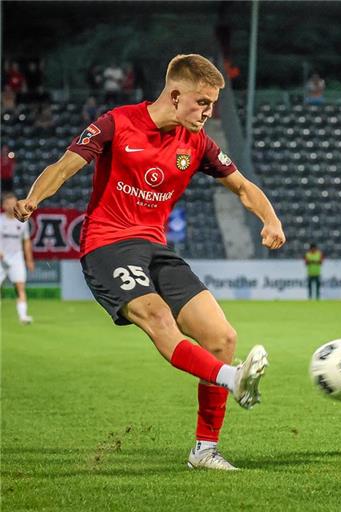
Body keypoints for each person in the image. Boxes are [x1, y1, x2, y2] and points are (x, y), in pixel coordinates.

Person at [13, 54, 286, 470]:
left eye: (213, 104)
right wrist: (34, 198)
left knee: (223, 338)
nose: (209, 112)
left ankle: (204, 450)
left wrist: (270, 218)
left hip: (155, 249)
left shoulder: (198, 143)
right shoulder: (116, 122)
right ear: (175, 95)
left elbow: (243, 187)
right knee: (159, 318)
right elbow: (65, 167)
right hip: (106, 245)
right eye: (202, 103)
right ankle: (233, 379)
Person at [1, 191, 35, 324]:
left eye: (14, 203)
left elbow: (26, 241)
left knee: (20, 287)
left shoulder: (22, 222)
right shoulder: (0, 220)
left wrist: (29, 260)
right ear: (3, 205)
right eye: (8, 203)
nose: (12, 206)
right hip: (1, 259)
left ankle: (23, 316)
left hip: (16, 258)